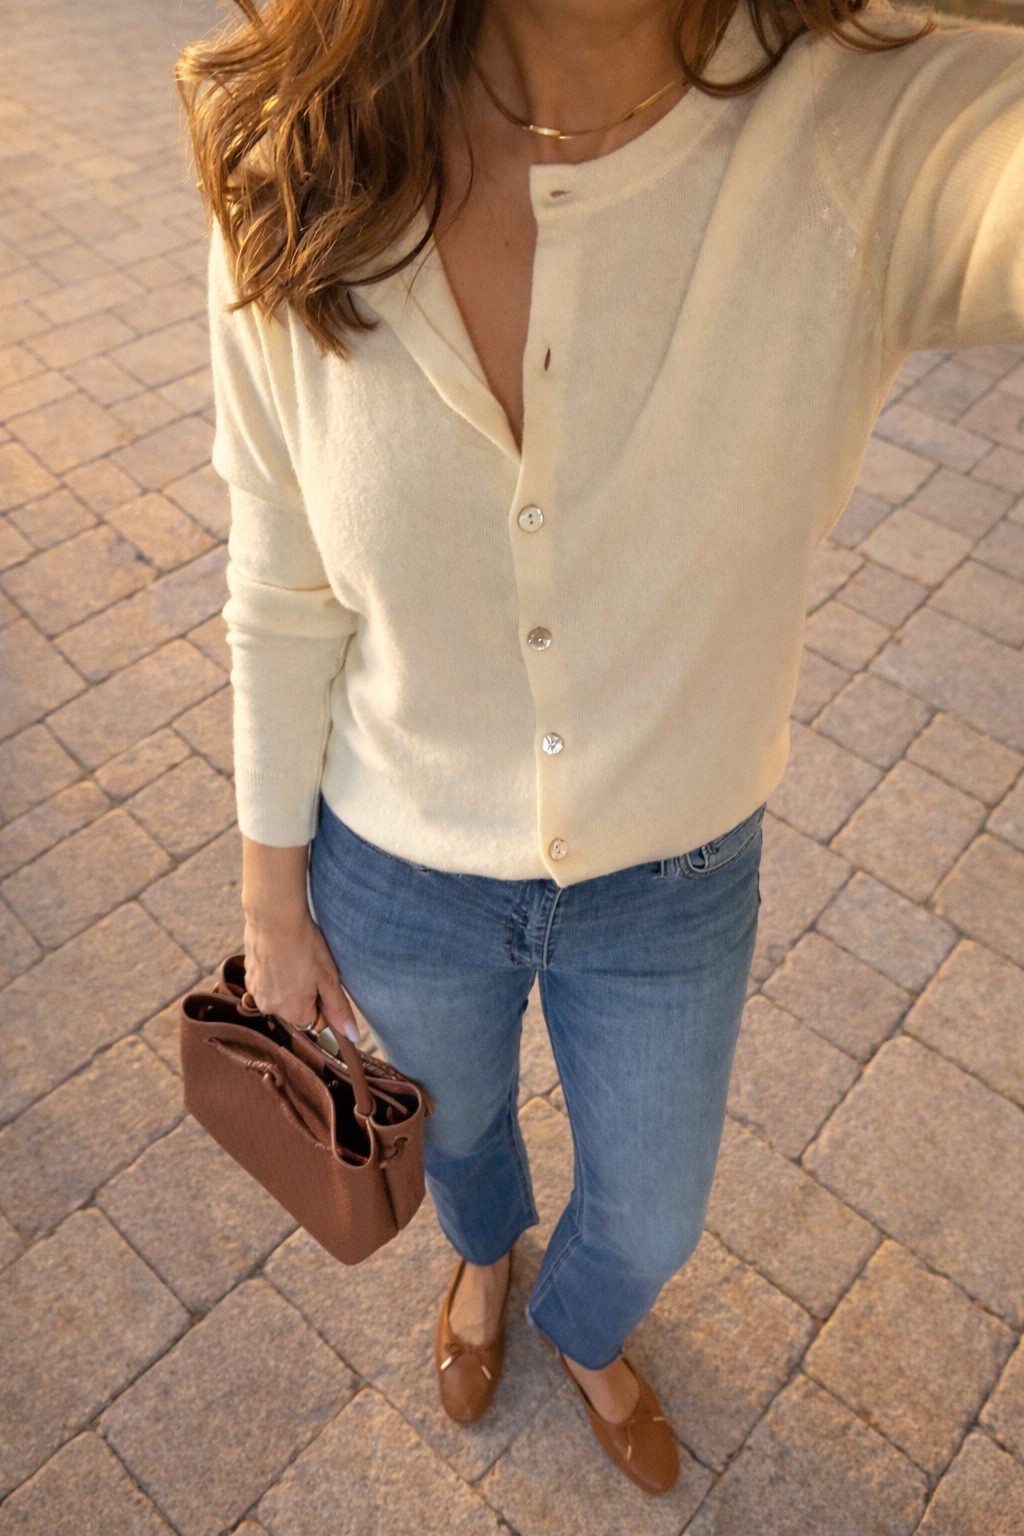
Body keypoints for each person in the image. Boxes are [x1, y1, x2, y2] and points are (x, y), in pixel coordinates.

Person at [180, 0, 1024, 1497]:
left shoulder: (865, 131)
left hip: (674, 877)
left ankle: (579, 1320)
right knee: (460, 1141)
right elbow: (280, 573)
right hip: (395, 863)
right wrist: (270, 902)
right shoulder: (288, 151)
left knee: (651, 1214)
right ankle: (483, 1270)